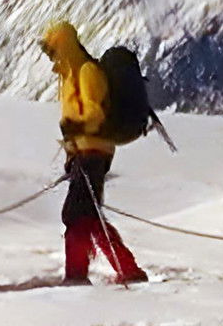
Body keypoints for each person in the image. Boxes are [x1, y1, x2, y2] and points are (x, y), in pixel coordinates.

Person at [39, 21, 148, 285]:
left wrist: (73, 127)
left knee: (75, 215)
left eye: (53, 51)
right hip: (85, 153)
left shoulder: (87, 72)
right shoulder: (70, 75)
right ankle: (126, 269)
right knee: (87, 215)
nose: (51, 58)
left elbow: (94, 114)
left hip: (94, 152)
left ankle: (78, 275)